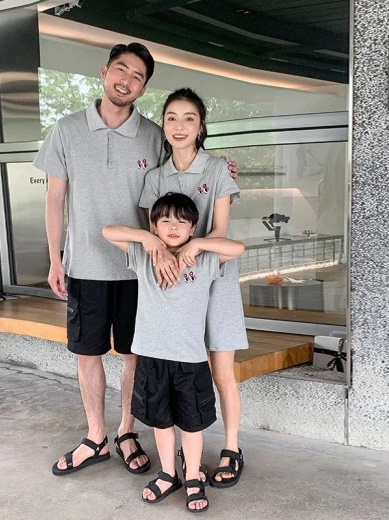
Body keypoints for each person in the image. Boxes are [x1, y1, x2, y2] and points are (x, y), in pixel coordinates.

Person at [32, 43, 239, 476]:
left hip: (143, 270)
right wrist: (55, 259)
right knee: (87, 353)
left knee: (134, 355)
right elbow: (54, 198)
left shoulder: (153, 135)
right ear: (105, 71)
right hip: (86, 263)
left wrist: (223, 170)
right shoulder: (66, 130)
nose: (126, 80)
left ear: (144, 88)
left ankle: (127, 431)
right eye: (121, 70)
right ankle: (95, 437)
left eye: (138, 76)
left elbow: (185, 173)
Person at [103, 192, 245, 513]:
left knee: (192, 424)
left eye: (182, 222)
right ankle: (169, 474)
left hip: (190, 360)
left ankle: (193, 476)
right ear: (154, 226)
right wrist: (146, 239)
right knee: (161, 421)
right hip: (151, 358)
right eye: (165, 221)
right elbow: (108, 232)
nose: (173, 227)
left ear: (192, 228)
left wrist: (199, 245)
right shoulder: (144, 255)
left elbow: (237, 248)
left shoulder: (204, 260)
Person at [139, 88, 249, 489]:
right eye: (171, 117)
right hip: (171, 282)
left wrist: (194, 248)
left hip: (215, 275)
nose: (180, 125)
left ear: (201, 126)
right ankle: (187, 455)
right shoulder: (154, 178)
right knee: (180, 367)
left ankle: (232, 448)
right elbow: (153, 233)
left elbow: (219, 229)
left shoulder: (218, 168)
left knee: (221, 370)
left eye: (189, 118)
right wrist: (164, 258)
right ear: (163, 125)